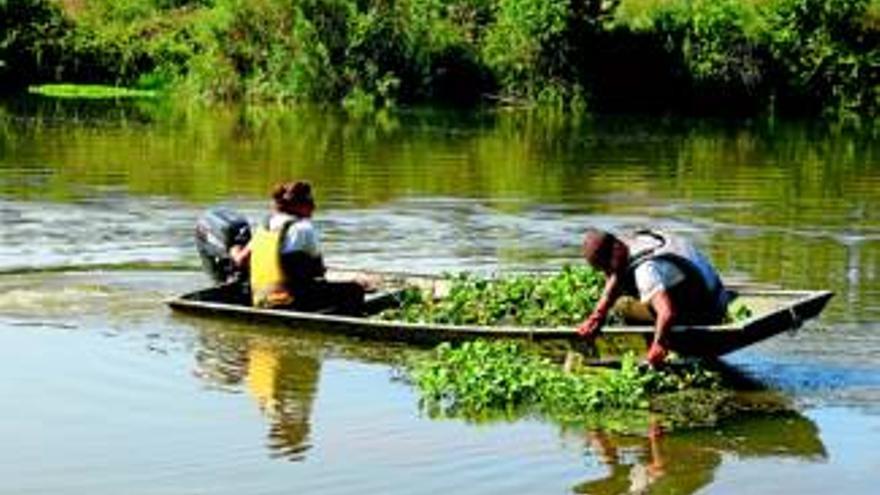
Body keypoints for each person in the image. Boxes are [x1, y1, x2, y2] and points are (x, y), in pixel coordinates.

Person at [577, 228, 729, 367]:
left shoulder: (645, 271)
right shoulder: (633, 241)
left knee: (623, 305)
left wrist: (659, 344)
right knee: (623, 284)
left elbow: (667, 312)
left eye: (606, 267)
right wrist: (597, 316)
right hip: (717, 296)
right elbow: (617, 274)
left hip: (709, 312)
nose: (606, 272)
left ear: (616, 249)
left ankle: (658, 338)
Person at [231, 181, 364, 314]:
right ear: (299, 205)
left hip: (262, 299)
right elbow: (318, 270)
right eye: (310, 201)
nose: (314, 206)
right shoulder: (304, 228)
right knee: (355, 289)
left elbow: (241, 260)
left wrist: (234, 249)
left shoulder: (263, 227)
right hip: (293, 301)